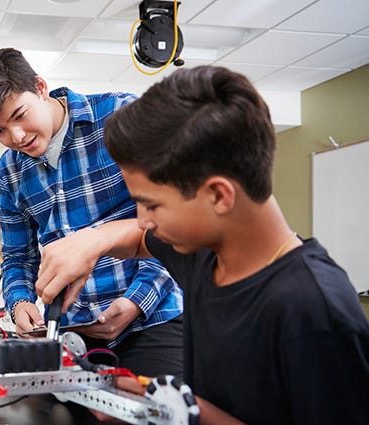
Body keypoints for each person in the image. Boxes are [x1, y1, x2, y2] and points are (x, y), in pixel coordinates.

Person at [35, 65, 369, 424]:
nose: (144, 219)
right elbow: (135, 239)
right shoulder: (202, 256)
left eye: (152, 204)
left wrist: (183, 409)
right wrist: (92, 241)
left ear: (218, 195)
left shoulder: (312, 307)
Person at [0, 47, 184, 378]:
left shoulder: (121, 115)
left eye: (19, 115)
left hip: (152, 319)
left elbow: (178, 225)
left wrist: (137, 301)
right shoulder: (9, 172)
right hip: (71, 334)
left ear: (40, 86)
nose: (16, 137)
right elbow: (18, 257)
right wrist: (20, 305)